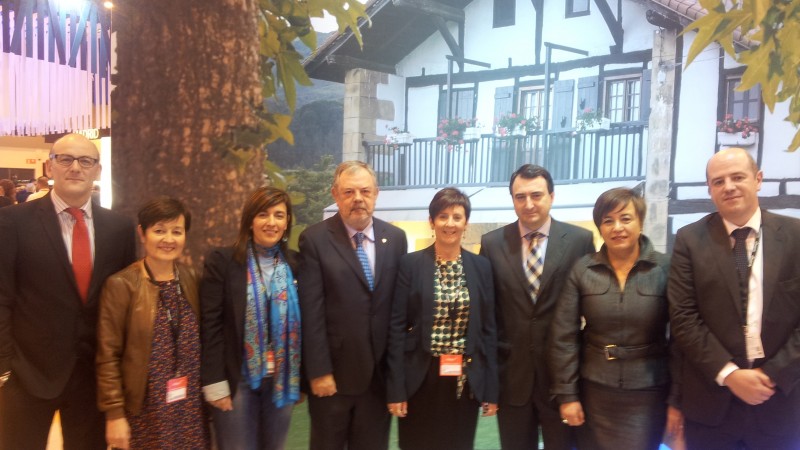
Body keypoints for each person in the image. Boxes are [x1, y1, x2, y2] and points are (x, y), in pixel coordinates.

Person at [0, 133, 137, 449]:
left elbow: (124, 304)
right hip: (26, 376)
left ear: (97, 171)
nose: (75, 167)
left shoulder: (118, 228)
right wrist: (4, 369)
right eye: (65, 159)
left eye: (85, 161)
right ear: (50, 167)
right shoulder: (12, 223)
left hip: (92, 378)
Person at [668, 147, 800, 449]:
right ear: (710, 190)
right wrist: (730, 374)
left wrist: (771, 375)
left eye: (737, 177)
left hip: (779, 402)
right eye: (718, 181)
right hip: (712, 403)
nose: (728, 187)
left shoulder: (795, 236)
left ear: (758, 179)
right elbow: (684, 318)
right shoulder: (689, 240)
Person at [548, 188, 683, 449]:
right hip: (595, 389)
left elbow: (680, 340)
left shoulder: (666, 268)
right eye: (608, 221)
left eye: (625, 218)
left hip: (650, 390)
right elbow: (563, 336)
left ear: (640, 222)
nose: (617, 227)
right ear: (599, 226)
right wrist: (567, 394)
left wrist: (677, 399)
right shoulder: (583, 269)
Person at [479, 164, 595, 450]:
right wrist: (489, 381)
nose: (528, 204)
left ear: (551, 197)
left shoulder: (580, 241)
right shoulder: (492, 243)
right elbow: (487, 317)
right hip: (512, 379)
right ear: (512, 200)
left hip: (562, 381)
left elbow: (590, 309)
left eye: (536, 195)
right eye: (520, 197)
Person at [299, 160, 408, 450]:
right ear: (335, 195)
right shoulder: (315, 240)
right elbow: (311, 313)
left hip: (378, 380)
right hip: (333, 379)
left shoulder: (396, 239)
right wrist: (319, 371)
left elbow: (396, 312)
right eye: (349, 192)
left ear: (376, 193)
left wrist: (396, 379)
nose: (357, 199)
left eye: (364, 191)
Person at [386, 188, 498, 450]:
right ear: (432, 222)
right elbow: (396, 329)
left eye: (457, 217)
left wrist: (491, 391)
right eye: (443, 216)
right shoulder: (411, 264)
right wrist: (396, 389)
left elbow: (489, 331)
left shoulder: (481, 267)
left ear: (465, 224)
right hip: (420, 377)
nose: (450, 224)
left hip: (464, 377)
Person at [97, 197, 208, 449]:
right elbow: (108, 355)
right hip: (145, 409)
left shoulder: (192, 279)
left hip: (189, 406)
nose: (168, 239)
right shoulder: (121, 285)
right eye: (159, 230)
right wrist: (114, 414)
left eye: (176, 232)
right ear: (142, 233)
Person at [201, 186, 302, 450]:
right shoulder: (222, 261)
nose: (271, 222)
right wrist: (214, 381)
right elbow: (210, 325)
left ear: (287, 221)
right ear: (249, 220)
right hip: (238, 380)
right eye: (263, 214)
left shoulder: (296, 264)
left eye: (279, 215)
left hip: (281, 379)